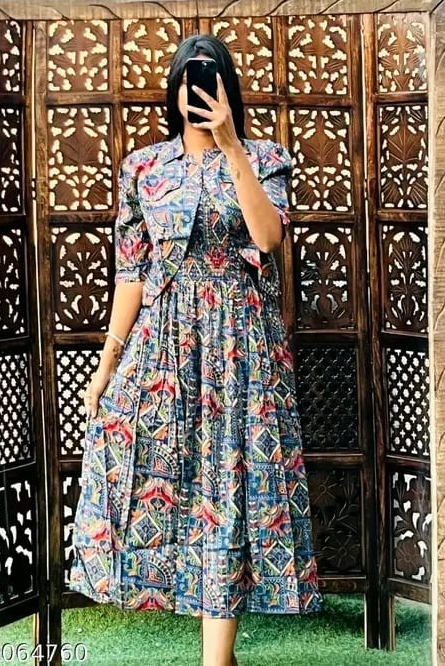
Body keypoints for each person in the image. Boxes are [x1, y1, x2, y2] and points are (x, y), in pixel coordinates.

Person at [68, 33, 323, 666]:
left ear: (227, 89)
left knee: (229, 486)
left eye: (208, 77)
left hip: (242, 348)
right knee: (171, 480)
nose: (196, 90)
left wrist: (232, 145)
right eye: (186, 78)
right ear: (174, 91)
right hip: (163, 346)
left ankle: (215, 657)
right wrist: (106, 366)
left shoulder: (266, 157)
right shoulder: (143, 168)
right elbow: (132, 274)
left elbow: (268, 238)